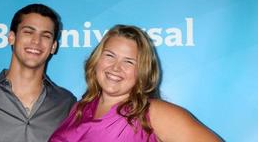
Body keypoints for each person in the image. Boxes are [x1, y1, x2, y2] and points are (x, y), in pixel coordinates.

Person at [49, 24, 223, 142]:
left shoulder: (154, 113)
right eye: (110, 56)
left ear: (142, 72)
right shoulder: (79, 109)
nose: (116, 67)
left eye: (129, 62)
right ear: (96, 60)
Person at [0, 4, 76, 142]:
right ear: (11, 37)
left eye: (45, 36)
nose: (36, 41)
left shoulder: (67, 104)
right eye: (28, 32)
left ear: (53, 46)